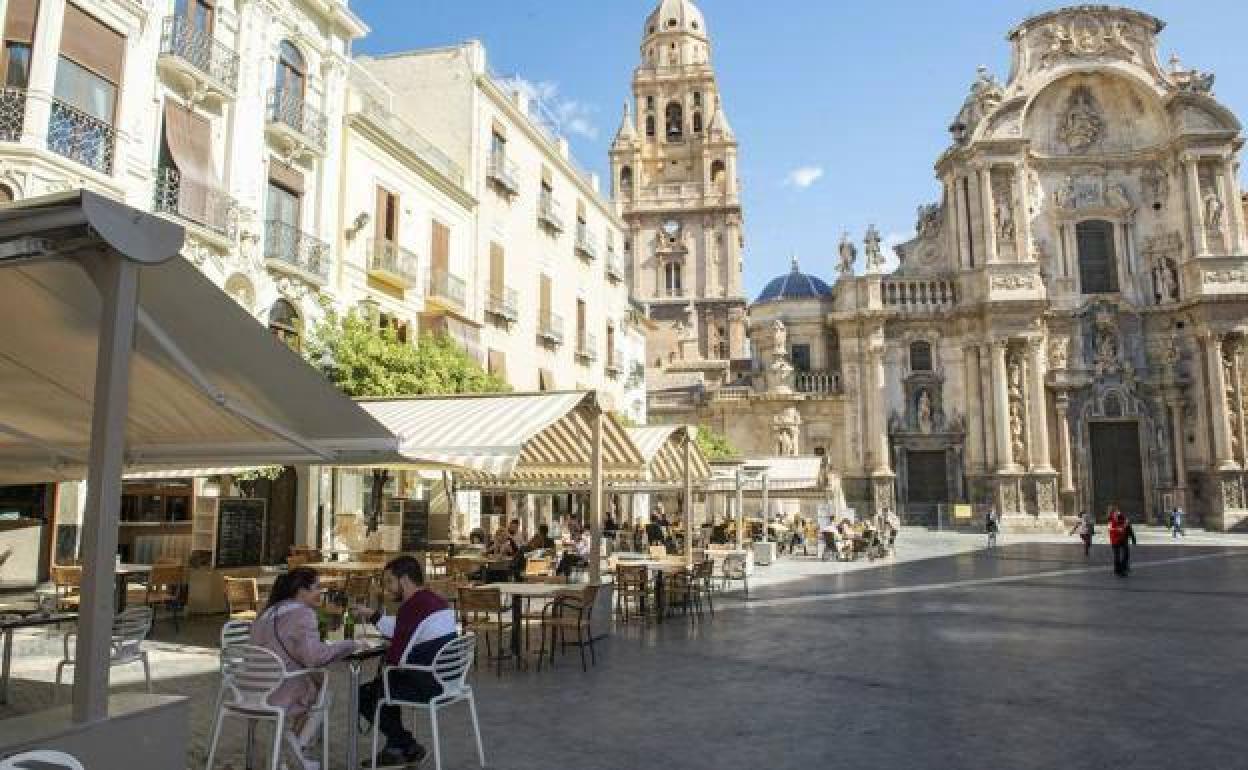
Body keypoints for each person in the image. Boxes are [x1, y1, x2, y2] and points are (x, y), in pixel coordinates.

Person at [250, 567, 364, 770]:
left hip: (250, 688)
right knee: (322, 692)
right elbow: (314, 657)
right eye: (316, 588)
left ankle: (287, 755)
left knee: (314, 684)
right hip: (278, 690)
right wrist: (350, 644)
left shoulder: (268, 611)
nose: (320, 592)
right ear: (300, 591)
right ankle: (297, 750)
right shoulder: (303, 614)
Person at [356, 555, 457, 769]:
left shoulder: (412, 607)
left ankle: (406, 746)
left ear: (404, 580)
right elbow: (406, 627)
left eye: (390, 582)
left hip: (428, 685)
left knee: (368, 693)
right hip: (449, 679)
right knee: (385, 684)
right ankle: (397, 748)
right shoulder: (434, 601)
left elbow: (395, 657)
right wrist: (374, 616)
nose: (388, 589)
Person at [1108, 506, 1129, 576]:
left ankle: (1123, 567)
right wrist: (1117, 529)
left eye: (1118, 511)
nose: (1118, 512)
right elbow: (1110, 528)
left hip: (1123, 538)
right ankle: (1118, 570)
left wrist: (1126, 524)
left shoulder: (1121, 517)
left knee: (1126, 554)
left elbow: (1126, 524)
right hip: (1115, 540)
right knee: (1117, 556)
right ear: (1113, 513)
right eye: (1116, 511)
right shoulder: (1110, 519)